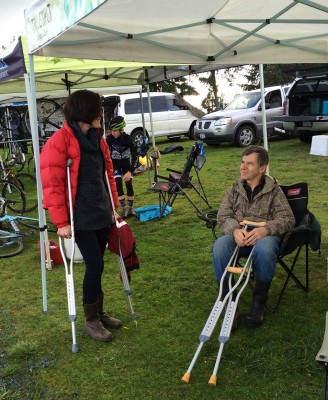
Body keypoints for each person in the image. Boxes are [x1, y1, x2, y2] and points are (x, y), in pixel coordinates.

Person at [40, 89, 122, 343]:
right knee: (94, 264)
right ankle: (90, 320)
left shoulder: (99, 139)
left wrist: (113, 205)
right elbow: (53, 184)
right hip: (81, 216)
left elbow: (106, 175)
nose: (102, 114)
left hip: (101, 212)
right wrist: (61, 222)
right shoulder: (59, 141)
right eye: (98, 109)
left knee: (99, 265)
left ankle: (99, 311)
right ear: (87, 112)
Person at [212, 145, 295, 328]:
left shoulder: (274, 191)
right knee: (219, 246)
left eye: (249, 164)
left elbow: (288, 218)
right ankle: (230, 303)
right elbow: (223, 216)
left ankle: (258, 305)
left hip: (264, 237)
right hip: (239, 236)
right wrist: (234, 230)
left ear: (262, 168)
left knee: (265, 249)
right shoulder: (234, 189)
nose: (243, 167)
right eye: (242, 162)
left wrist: (265, 229)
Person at [106, 116, 138, 218]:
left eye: (116, 131)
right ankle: (124, 208)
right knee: (118, 183)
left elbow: (135, 156)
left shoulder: (128, 139)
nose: (113, 133)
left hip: (126, 165)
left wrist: (130, 171)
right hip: (115, 165)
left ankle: (131, 208)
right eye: (112, 131)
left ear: (121, 130)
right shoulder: (109, 139)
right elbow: (106, 154)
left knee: (128, 183)